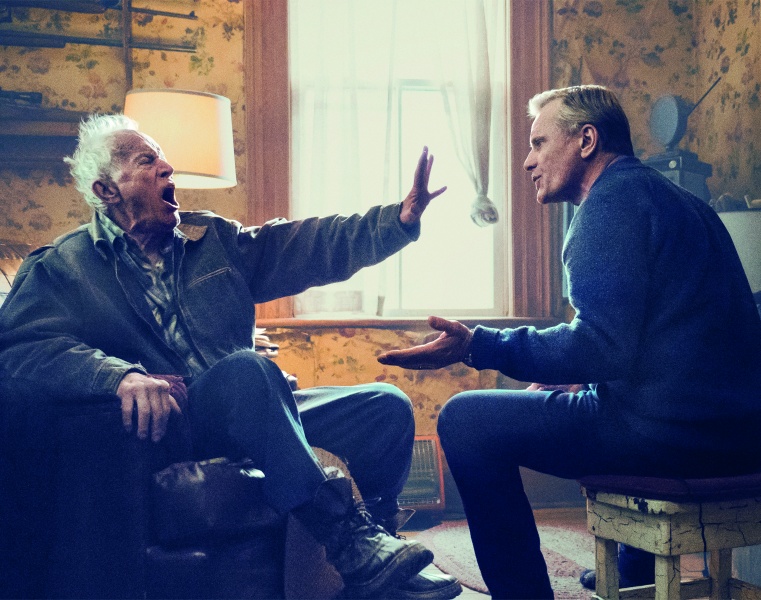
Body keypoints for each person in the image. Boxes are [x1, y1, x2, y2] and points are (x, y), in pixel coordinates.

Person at [0, 113, 463, 600]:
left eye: (163, 159)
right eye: (147, 160)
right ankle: (348, 539)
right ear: (107, 190)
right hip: (174, 423)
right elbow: (19, 348)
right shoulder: (63, 265)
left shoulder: (212, 240)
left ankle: (380, 559)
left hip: (250, 405)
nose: (167, 168)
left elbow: (306, 245)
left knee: (385, 406)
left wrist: (397, 221)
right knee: (246, 369)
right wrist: (117, 376)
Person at [378, 85, 761, 599]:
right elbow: (662, 339)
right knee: (590, 398)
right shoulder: (688, 205)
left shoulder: (608, 204)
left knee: (466, 419)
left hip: (673, 441)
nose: (527, 161)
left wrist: (475, 345)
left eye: (539, 143)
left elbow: (599, 347)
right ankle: (633, 572)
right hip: (739, 437)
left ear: (586, 140)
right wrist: (576, 376)